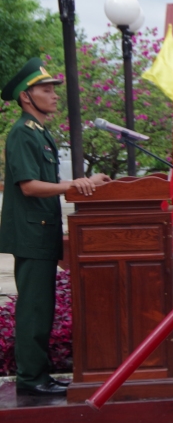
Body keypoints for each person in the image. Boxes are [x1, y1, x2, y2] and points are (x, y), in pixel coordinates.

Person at [0, 59, 108, 398]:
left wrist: (78, 185)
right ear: (25, 97)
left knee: (42, 307)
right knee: (34, 309)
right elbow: (29, 186)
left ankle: (40, 376)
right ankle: (31, 379)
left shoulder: (41, 133)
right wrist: (75, 185)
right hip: (30, 234)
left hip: (42, 230)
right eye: (45, 90)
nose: (53, 95)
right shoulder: (22, 133)